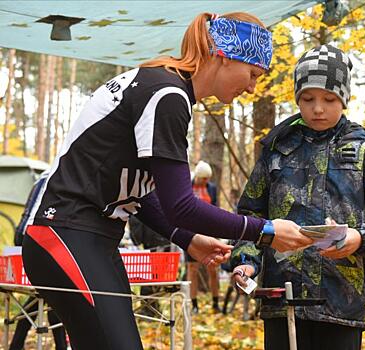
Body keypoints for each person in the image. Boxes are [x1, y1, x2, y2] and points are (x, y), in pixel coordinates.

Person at [22, 12, 313, 350]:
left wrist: (188, 240)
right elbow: (181, 206)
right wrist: (266, 232)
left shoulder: (164, 87)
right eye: (251, 74)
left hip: (91, 238)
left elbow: (140, 193)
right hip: (65, 233)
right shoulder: (166, 94)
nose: (252, 87)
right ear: (222, 55)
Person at [230, 44, 365, 350]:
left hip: (341, 303)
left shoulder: (362, 151)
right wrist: (245, 261)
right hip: (282, 299)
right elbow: (250, 217)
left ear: (344, 98)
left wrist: (360, 237)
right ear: (297, 99)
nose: (318, 108)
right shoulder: (276, 150)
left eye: (329, 99)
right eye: (308, 99)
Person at [10, 171, 68, 350]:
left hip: (27, 235)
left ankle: (18, 343)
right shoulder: (59, 176)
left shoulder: (43, 177)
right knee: (53, 294)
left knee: (49, 296)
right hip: (41, 236)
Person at [186, 161, 220, 313]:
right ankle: (193, 305)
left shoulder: (211, 188)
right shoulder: (187, 185)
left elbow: (215, 209)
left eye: (208, 178)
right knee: (192, 268)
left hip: (208, 231)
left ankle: (215, 303)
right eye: (204, 178)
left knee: (213, 267)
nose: (206, 181)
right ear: (198, 177)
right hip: (190, 232)